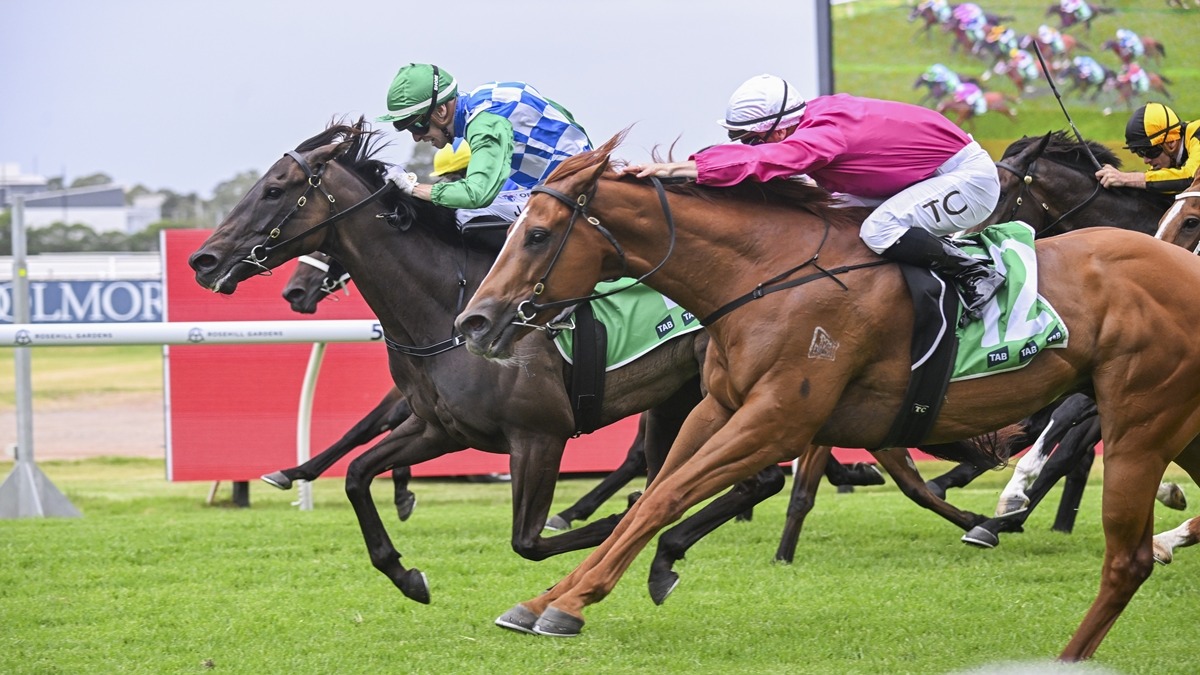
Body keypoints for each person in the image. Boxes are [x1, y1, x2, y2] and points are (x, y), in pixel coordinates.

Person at [625, 74, 1004, 323]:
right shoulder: (808, 118)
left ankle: (975, 273)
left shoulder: (822, 136)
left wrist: (679, 169)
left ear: (778, 130)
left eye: (749, 138)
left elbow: (768, 161)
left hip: (965, 179)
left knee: (880, 229)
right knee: (827, 225)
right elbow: (762, 155)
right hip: (922, 176)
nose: (745, 145)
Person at [376, 63, 592, 226]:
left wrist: (413, 188)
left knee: (463, 214)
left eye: (416, 127)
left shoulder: (483, 122)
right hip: (574, 183)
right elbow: (568, 118)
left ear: (441, 111)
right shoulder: (484, 97)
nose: (416, 137)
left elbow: (476, 195)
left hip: (574, 194)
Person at [1095, 102, 1200, 193]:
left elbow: (1192, 179)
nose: (1146, 160)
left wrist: (1124, 178)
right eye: (1140, 153)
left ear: (1171, 142)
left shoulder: (1197, 135)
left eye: (1149, 152)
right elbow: (1158, 179)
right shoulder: (1172, 151)